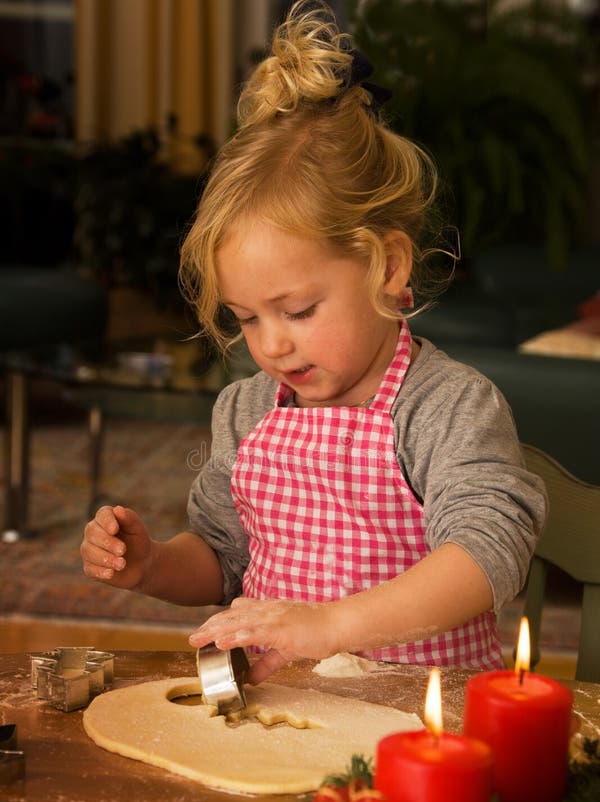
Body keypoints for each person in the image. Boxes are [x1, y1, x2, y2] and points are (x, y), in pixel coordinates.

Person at [80, 0, 546, 686]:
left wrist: (330, 626)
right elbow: (223, 560)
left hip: (418, 726)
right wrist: (154, 566)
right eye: (246, 317)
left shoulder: (447, 406)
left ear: (387, 267)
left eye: (297, 310)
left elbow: (486, 556)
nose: (271, 345)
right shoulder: (246, 411)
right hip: (283, 710)